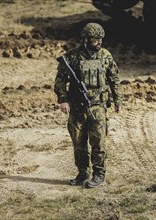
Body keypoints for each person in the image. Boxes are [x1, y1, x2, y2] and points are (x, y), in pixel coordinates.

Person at [54, 23, 122, 188]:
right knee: (79, 143)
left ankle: (99, 175)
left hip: (98, 107)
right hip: (77, 108)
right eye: (94, 40)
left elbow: (114, 79)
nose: (98, 43)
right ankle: (83, 173)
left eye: (100, 39)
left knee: (98, 143)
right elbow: (60, 81)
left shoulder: (105, 56)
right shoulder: (72, 57)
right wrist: (63, 100)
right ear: (85, 40)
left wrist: (117, 100)